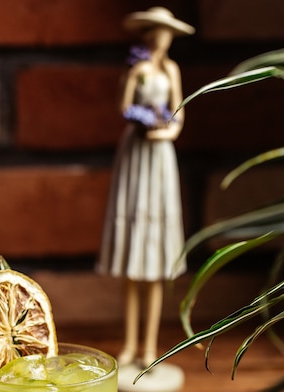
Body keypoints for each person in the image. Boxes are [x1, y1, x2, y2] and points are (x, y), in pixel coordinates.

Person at [97, 7, 194, 370]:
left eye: (165, 32)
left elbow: (179, 112)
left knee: (154, 266)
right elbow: (124, 107)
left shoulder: (171, 70)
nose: (159, 38)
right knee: (132, 266)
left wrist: (166, 131)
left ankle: (150, 346)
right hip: (137, 152)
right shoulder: (137, 70)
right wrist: (141, 119)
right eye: (154, 32)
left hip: (159, 154)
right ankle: (129, 343)